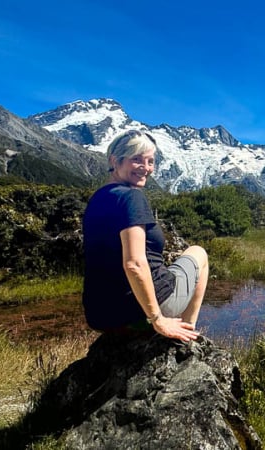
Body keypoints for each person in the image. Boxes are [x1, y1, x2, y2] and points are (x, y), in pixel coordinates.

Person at [82, 129, 208, 342]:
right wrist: (158, 319)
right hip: (141, 310)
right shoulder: (131, 197)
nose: (146, 168)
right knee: (199, 253)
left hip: (101, 315)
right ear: (115, 160)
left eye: (150, 161)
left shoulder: (97, 198)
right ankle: (188, 332)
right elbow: (134, 264)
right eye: (137, 160)